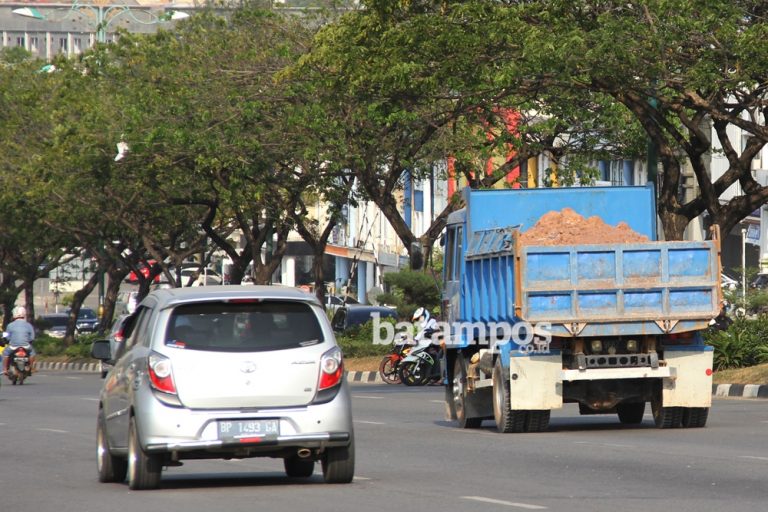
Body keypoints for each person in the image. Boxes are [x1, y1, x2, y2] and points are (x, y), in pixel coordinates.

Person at [2, 306, 36, 375]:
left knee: (5, 354)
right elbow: (32, 337)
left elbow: (7, 336)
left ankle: (5, 369)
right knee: (32, 353)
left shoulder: (10, 325)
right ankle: (31, 367)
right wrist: (28, 341)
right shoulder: (28, 325)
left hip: (13, 346)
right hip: (26, 345)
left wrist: (6, 339)